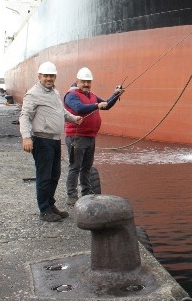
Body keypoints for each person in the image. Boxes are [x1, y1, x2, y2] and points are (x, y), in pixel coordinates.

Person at [19, 61, 82, 222]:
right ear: (39, 76)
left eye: (51, 76)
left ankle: (50, 204)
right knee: (44, 176)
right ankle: (44, 210)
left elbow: (60, 111)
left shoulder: (54, 93)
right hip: (41, 140)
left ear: (55, 77)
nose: (48, 78)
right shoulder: (33, 94)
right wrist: (26, 137)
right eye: (45, 76)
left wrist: (74, 118)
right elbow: (24, 116)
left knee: (55, 175)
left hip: (54, 140)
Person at [63, 67, 124, 205]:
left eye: (88, 82)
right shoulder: (71, 95)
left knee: (86, 167)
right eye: (83, 81)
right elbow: (79, 108)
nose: (86, 84)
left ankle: (86, 193)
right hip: (76, 137)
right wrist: (97, 105)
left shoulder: (91, 95)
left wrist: (116, 95)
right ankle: (72, 195)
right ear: (77, 80)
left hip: (90, 137)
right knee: (75, 167)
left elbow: (106, 106)